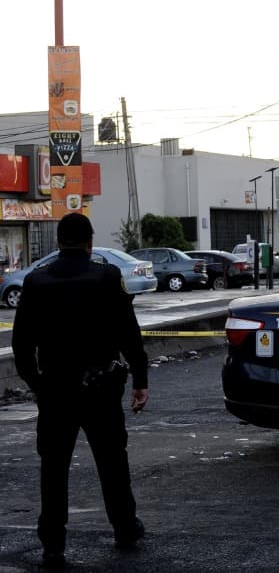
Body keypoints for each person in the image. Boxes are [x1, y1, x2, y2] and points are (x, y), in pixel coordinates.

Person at [12, 213, 148, 569]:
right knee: (113, 463)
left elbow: (21, 344)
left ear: (58, 243)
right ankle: (124, 529)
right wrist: (141, 378)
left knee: (53, 468)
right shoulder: (108, 278)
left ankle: (53, 541)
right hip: (101, 389)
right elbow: (128, 334)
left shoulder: (36, 282)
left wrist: (37, 383)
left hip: (56, 390)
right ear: (90, 242)